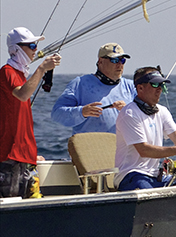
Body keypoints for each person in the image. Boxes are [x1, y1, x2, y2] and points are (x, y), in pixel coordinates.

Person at [114, 67, 176, 191]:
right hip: (131, 175)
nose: (159, 89)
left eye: (161, 85)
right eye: (154, 84)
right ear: (140, 88)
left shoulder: (162, 111)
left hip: (155, 175)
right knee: (149, 193)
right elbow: (144, 150)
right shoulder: (129, 113)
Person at [1, 28, 61, 198]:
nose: (36, 49)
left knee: (32, 200)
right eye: (32, 45)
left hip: (25, 156)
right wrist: (42, 68)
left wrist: (31, 154)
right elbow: (22, 94)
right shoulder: (7, 71)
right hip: (11, 156)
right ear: (17, 48)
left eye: (36, 46)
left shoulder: (21, 74)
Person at [51, 42, 137, 135]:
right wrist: (81, 112)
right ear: (100, 61)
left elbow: (148, 115)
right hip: (90, 146)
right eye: (115, 60)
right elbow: (57, 114)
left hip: (123, 147)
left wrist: (128, 110)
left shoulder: (132, 86)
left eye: (122, 60)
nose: (120, 64)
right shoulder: (80, 83)